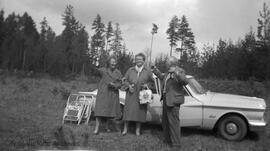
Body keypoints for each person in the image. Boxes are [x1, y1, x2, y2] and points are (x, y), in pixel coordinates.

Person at [152, 56, 188, 147]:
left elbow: (185, 81)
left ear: (172, 62)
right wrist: (155, 70)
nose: (166, 62)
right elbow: (162, 77)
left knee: (174, 123)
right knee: (165, 122)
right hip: (166, 99)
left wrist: (176, 72)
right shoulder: (168, 72)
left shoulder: (180, 70)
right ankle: (167, 140)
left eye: (167, 61)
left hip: (174, 100)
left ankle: (176, 144)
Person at [122, 53, 153, 136]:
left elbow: (152, 81)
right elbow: (124, 80)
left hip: (142, 94)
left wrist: (147, 85)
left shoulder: (148, 71)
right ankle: (125, 129)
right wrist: (128, 86)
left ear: (143, 61)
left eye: (140, 59)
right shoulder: (130, 70)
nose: (138, 61)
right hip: (131, 93)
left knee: (140, 112)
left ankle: (137, 130)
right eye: (136, 59)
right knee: (128, 111)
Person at [93, 56, 122, 135]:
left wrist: (115, 85)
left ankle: (107, 127)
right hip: (103, 92)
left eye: (115, 62)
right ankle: (97, 128)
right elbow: (95, 72)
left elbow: (120, 83)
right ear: (108, 62)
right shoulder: (103, 70)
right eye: (112, 61)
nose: (113, 63)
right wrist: (96, 64)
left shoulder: (118, 72)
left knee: (110, 111)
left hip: (112, 93)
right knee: (99, 111)